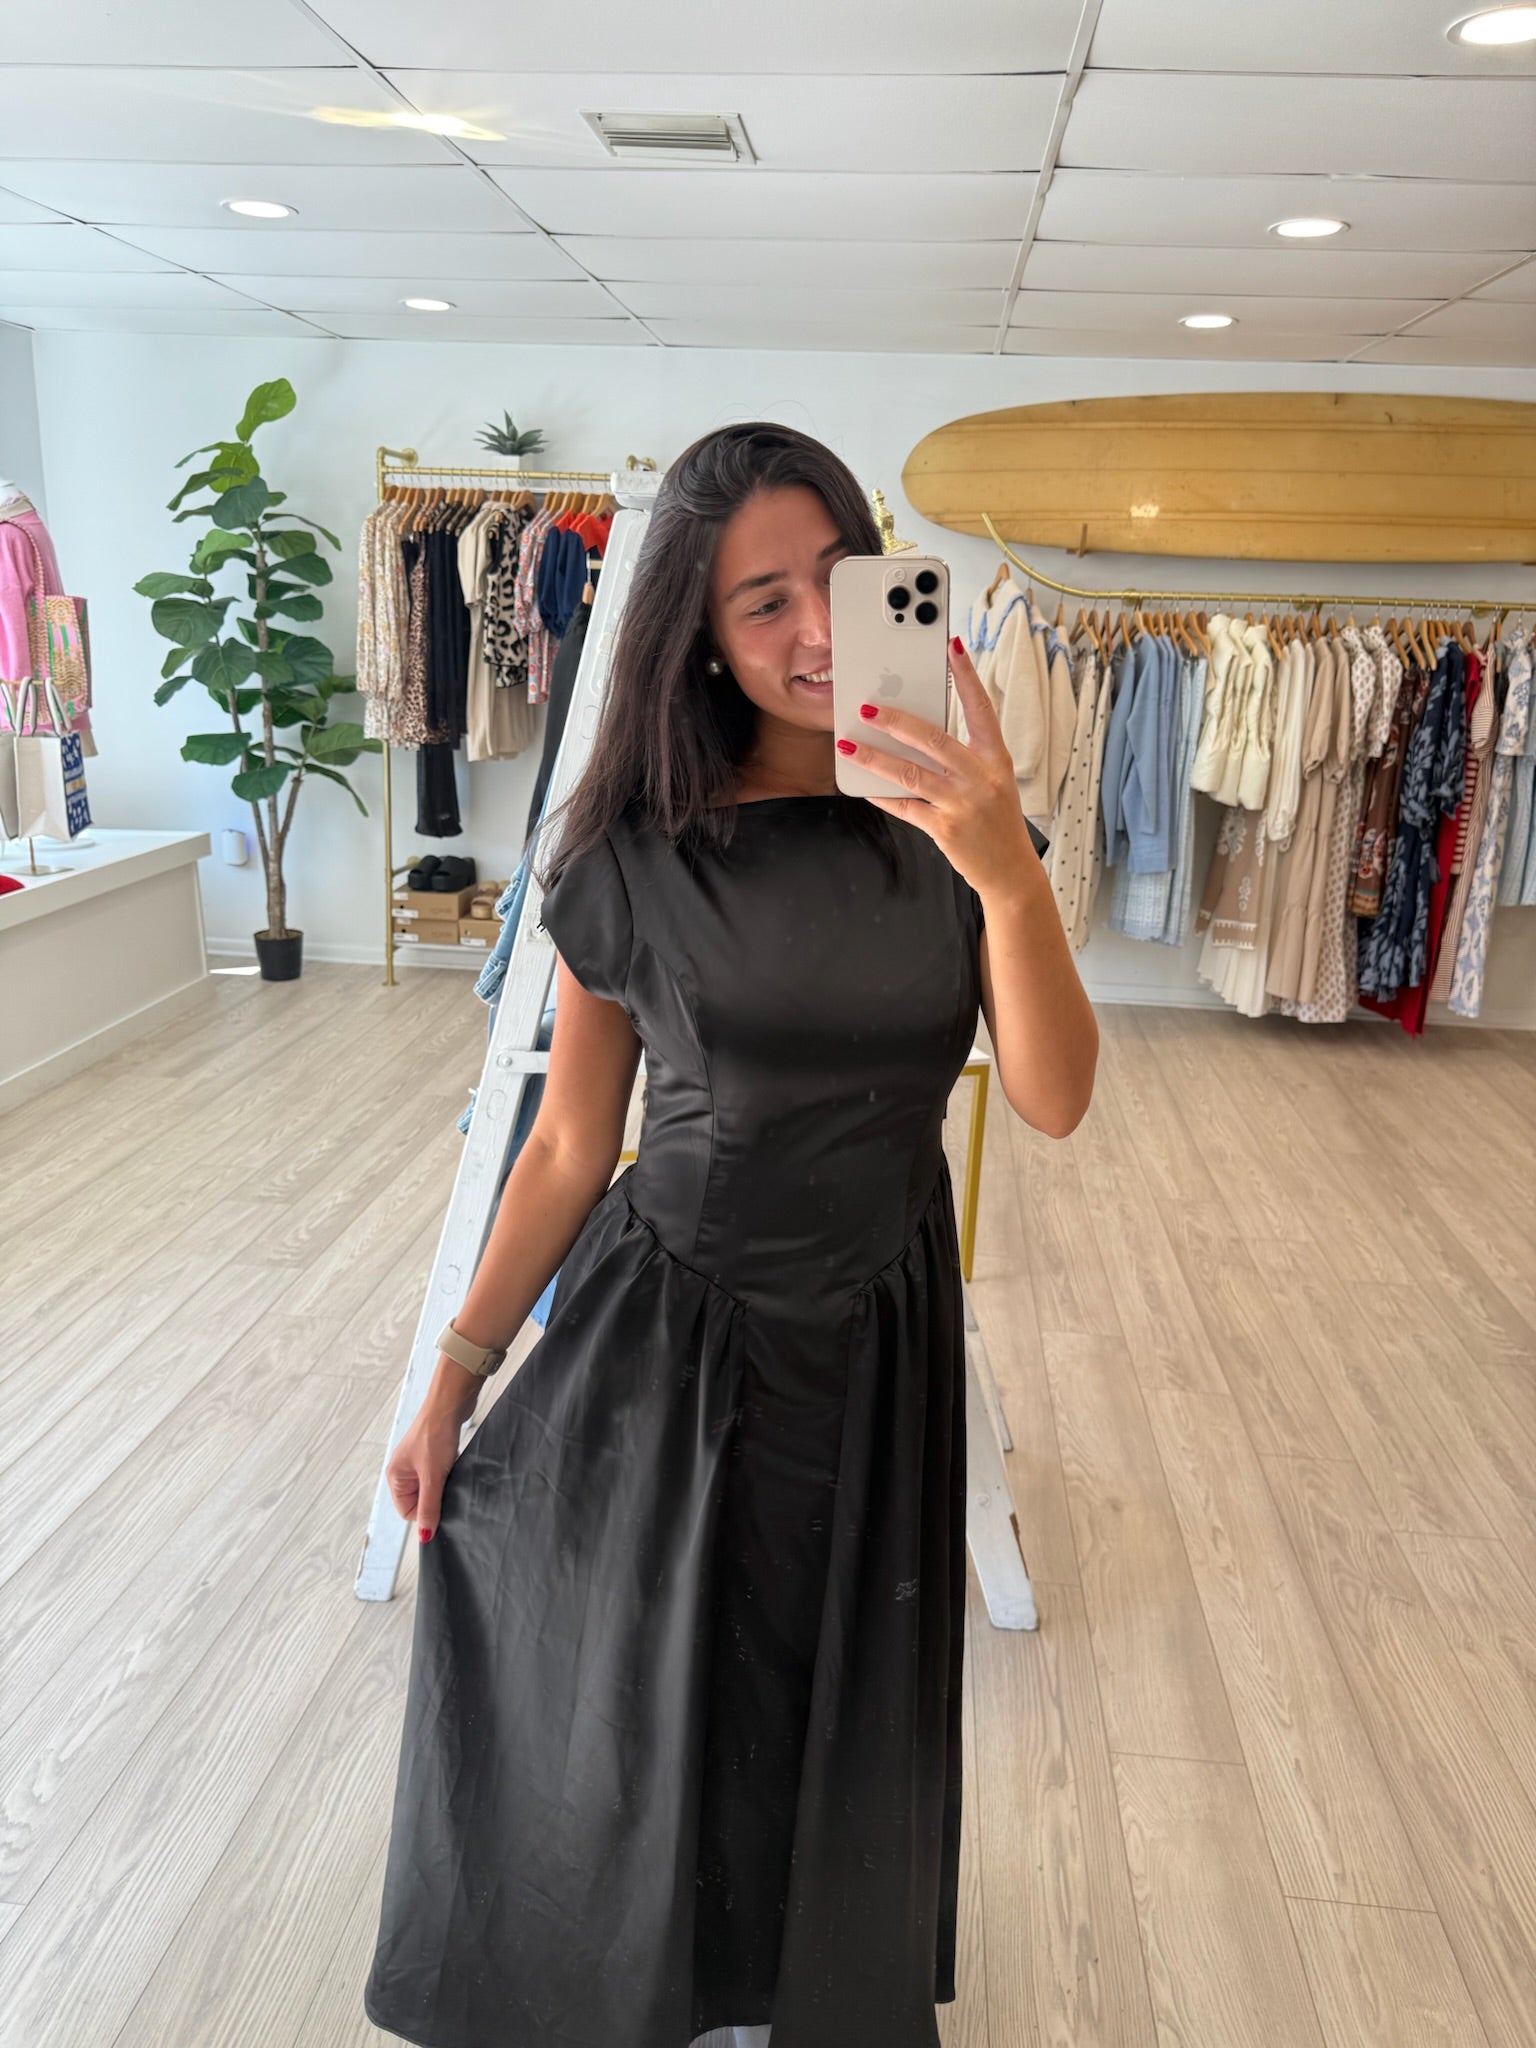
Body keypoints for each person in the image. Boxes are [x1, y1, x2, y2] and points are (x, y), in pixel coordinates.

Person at [363, 423, 1098, 2048]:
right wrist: (452, 1378)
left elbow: (1053, 1100)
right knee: (662, 1688)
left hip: (882, 1329)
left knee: (834, 1687)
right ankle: (652, 1987)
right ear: (696, 632)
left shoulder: (961, 823)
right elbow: (573, 1144)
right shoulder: (630, 854)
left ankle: (792, 1987)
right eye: (763, 602)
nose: (817, 632)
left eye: (838, 579)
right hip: (679, 1334)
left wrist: (1004, 871)